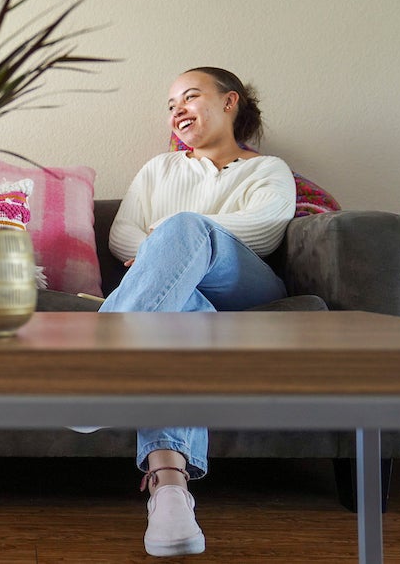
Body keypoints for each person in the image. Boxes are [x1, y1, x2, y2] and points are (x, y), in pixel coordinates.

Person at [98, 67, 296, 557]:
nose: (177, 110)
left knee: (186, 229)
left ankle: (91, 367)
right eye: (170, 105)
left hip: (242, 282)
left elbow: (265, 228)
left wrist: (174, 236)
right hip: (175, 294)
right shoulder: (157, 170)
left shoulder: (266, 169)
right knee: (181, 308)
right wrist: (167, 254)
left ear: (230, 102)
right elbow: (121, 235)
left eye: (190, 97)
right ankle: (170, 492)